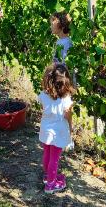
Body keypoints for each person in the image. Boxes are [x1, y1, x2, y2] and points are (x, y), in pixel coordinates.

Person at [38, 63, 75, 194]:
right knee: (54, 158)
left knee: (47, 153)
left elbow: (43, 106)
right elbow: (68, 115)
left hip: (46, 129)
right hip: (58, 132)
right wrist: (71, 129)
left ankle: (47, 176)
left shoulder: (43, 95)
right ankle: (51, 185)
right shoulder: (66, 99)